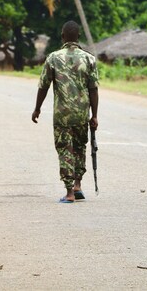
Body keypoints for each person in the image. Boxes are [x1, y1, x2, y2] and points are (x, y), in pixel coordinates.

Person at [32, 20, 99, 203]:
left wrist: (37, 108)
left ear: (62, 37)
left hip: (62, 115)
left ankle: (69, 193)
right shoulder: (88, 58)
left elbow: (43, 86)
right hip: (81, 114)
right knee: (79, 148)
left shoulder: (53, 58)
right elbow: (93, 89)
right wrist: (94, 115)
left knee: (65, 150)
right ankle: (77, 186)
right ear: (78, 37)